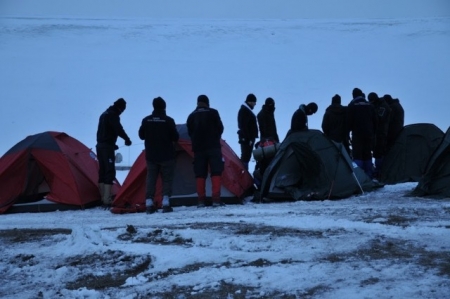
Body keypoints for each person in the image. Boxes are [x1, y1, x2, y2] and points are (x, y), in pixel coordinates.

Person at [138, 97, 179, 214]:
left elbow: (141, 135)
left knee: (151, 178)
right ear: (164, 107)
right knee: (167, 179)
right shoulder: (169, 121)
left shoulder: (146, 120)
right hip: (167, 155)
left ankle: (149, 202)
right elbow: (175, 137)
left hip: (151, 155)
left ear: (153, 106)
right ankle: (165, 202)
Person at [187, 95, 225, 207]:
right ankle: (216, 200)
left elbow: (190, 132)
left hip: (198, 149)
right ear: (207, 103)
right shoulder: (213, 113)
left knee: (200, 174)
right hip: (213, 147)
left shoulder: (191, 116)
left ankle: (201, 200)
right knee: (216, 172)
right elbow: (220, 128)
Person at [96, 98, 132, 207]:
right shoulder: (113, 115)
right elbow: (118, 129)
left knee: (102, 170)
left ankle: (103, 197)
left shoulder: (104, 114)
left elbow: (104, 131)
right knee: (109, 171)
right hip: (107, 147)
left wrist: (112, 143)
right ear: (121, 108)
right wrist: (127, 139)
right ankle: (107, 199)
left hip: (100, 146)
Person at [347, 88, 377, 178]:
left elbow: (348, 121)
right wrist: (373, 131)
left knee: (358, 154)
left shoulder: (352, 105)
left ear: (353, 95)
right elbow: (375, 120)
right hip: (369, 133)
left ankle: (359, 176)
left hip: (357, 134)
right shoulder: (370, 105)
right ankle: (369, 175)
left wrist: (347, 133)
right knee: (367, 153)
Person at [368, 92, 391, 178]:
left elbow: (379, 118)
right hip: (378, 133)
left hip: (381, 133)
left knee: (379, 152)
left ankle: (379, 171)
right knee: (378, 152)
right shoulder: (380, 105)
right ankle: (378, 170)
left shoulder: (383, 106)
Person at [237, 93, 258, 171]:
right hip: (246, 139)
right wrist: (248, 138)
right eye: (254, 102)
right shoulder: (244, 111)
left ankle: (244, 173)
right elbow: (243, 126)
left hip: (247, 138)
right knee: (245, 157)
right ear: (250, 102)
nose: (255, 104)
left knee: (246, 157)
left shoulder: (245, 110)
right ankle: (244, 173)